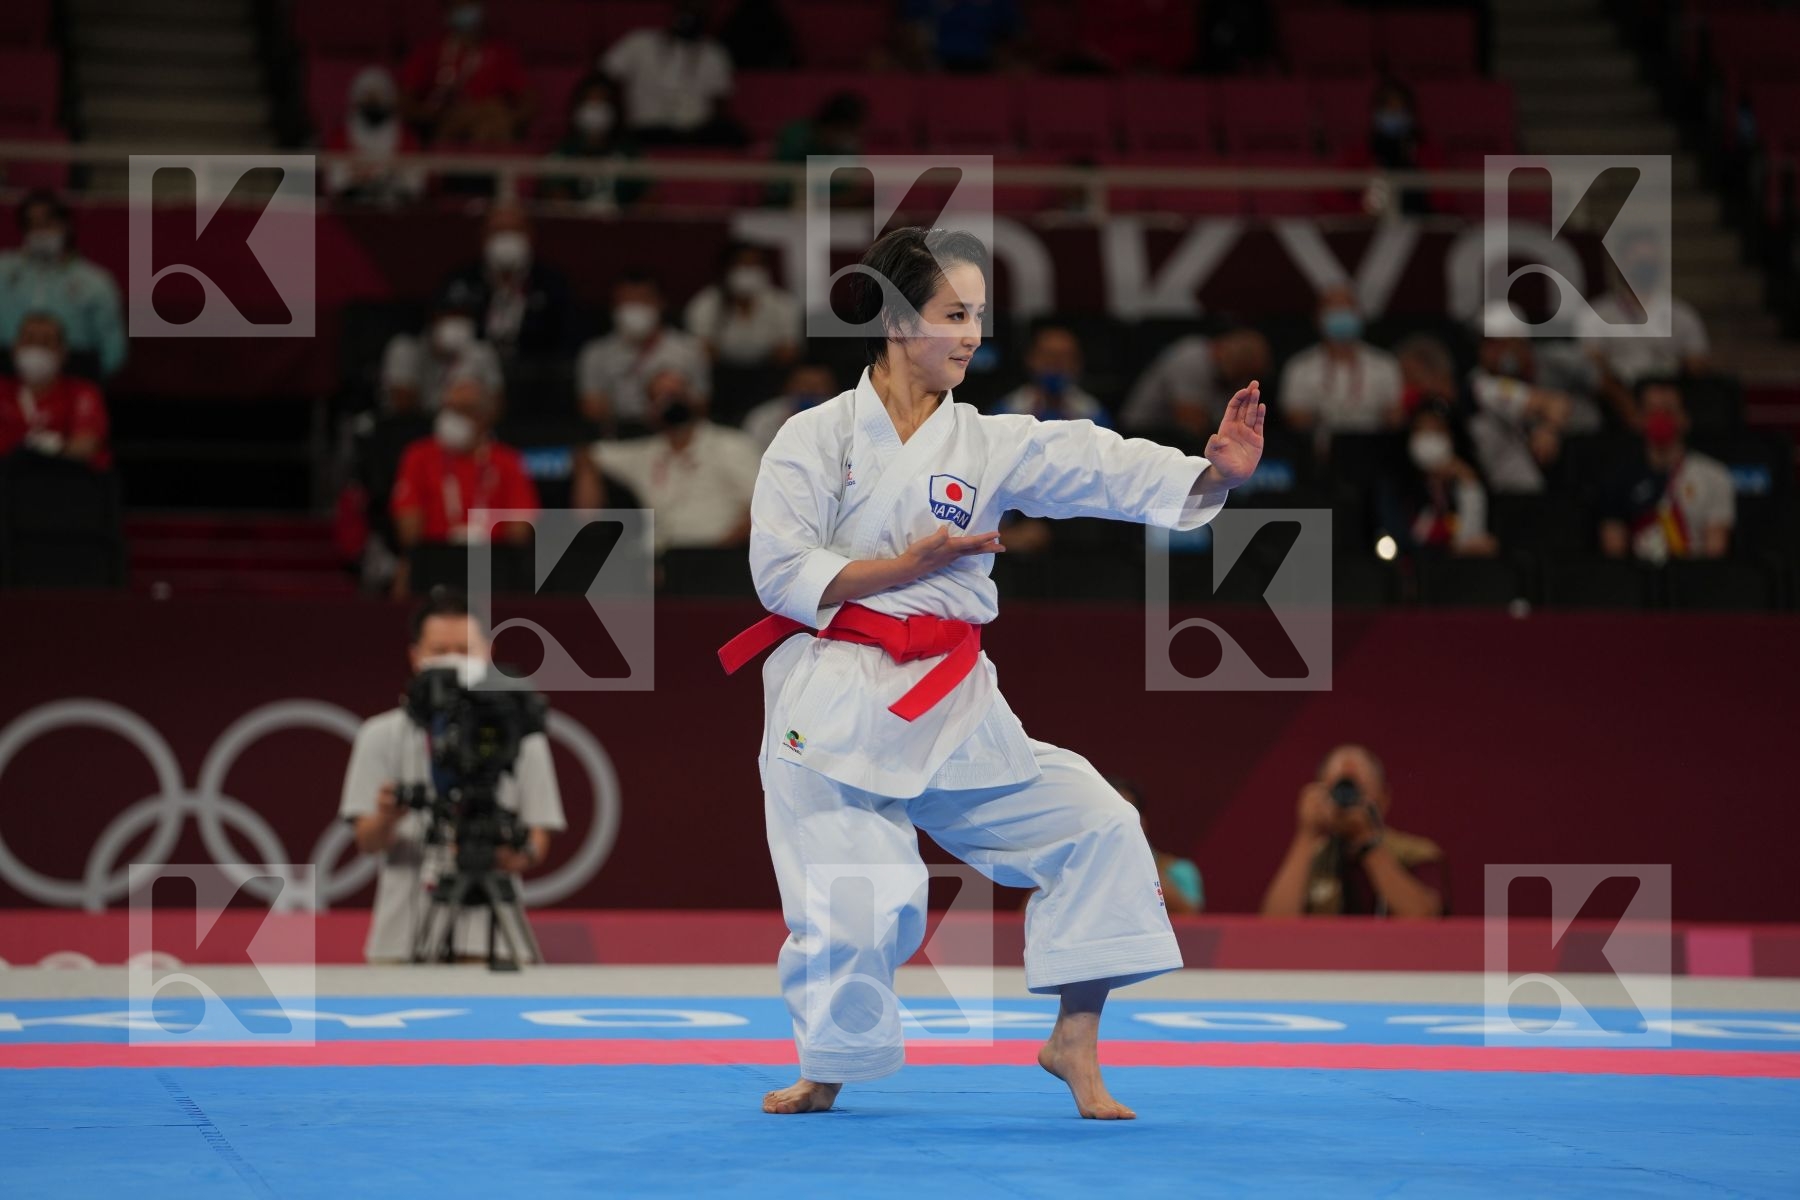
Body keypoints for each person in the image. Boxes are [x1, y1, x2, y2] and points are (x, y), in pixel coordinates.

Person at [718, 226, 1264, 1119]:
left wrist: (1209, 474)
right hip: (835, 699)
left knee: (1099, 826)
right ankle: (828, 1064)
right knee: (858, 908)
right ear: (897, 321)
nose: (972, 335)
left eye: (979, 316)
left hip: (953, 704)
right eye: (953, 314)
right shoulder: (813, 438)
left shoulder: (987, 441)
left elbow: (1094, 461)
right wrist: (905, 569)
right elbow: (778, 574)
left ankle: (1072, 1042)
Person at [338, 586, 566, 963]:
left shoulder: (521, 735)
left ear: (488, 654)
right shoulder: (378, 735)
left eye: (464, 650)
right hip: (402, 940)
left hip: (492, 943)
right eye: (439, 652)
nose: (452, 662)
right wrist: (387, 818)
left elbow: (537, 842)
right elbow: (367, 841)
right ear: (415, 656)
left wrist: (508, 854)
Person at [572, 368, 761, 551]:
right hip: (659, 556)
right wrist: (588, 496)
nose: (670, 403)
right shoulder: (644, 454)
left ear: (693, 398)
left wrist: (725, 550)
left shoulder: (732, 445)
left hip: (715, 555)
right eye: (661, 397)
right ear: (650, 409)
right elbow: (587, 454)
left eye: (676, 394)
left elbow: (766, 508)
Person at [389, 365, 538, 594]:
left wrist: (475, 532)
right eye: (449, 409)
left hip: (492, 563)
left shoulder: (507, 460)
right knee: (407, 569)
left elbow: (520, 533)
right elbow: (409, 533)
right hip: (434, 561)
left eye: (464, 411)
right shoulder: (418, 456)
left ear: (486, 416)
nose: (453, 419)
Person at [1260, 745, 1445, 919]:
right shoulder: (1315, 857)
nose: (1346, 797)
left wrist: (1368, 843)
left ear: (1383, 798)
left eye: (1356, 788)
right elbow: (1274, 925)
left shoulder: (1416, 854)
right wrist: (1306, 834)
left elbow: (1426, 920)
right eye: (1338, 787)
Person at [1582, 229, 1711, 423]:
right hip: (1620, 396)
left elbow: (1698, 362)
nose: (1644, 267)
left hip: (1671, 391)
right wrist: (1628, 405)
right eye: (1638, 261)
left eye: (1649, 261)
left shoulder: (1682, 314)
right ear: (1621, 264)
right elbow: (1592, 364)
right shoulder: (1597, 314)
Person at [1599, 380, 1735, 562]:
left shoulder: (1714, 476)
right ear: (1639, 419)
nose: (1660, 418)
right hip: (1637, 580)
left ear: (1685, 419)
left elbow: (1714, 552)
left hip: (1694, 579)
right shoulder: (1618, 476)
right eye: (1652, 411)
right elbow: (1614, 552)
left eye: (1668, 411)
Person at [0, 190, 126, 379]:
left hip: (72, 375)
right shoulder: (3, 271)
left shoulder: (95, 282)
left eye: (46, 223)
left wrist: (86, 383)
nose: (39, 231)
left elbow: (113, 349)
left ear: (67, 225)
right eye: (31, 225)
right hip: (6, 373)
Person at [436, 201, 573, 361]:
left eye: (514, 230)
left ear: (530, 235)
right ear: (483, 237)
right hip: (474, 376)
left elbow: (567, 341)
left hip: (534, 376)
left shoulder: (553, 284)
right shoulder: (461, 281)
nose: (506, 239)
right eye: (498, 231)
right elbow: (441, 333)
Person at [576, 271, 709, 429]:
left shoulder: (690, 349)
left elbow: (702, 407)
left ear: (661, 303)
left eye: (643, 299)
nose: (635, 308)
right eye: (627, 300)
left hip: (672, 433)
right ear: (614, 307)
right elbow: (590, 410)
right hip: (619, 436)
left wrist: (675, 396)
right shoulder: (595, 353)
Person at [600, 0, 739, 146]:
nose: (690, 15)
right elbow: (603, 77)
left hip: (694, 135)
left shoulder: (715, 53)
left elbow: (719, 102)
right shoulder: (639, 41)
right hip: (644, 129)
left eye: (698, 10)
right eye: (686, 8)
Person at [398, 0, 533, 146]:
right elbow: (404, 102)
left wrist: (509, 119)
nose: (466, 11)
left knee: (492, 118)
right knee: (489, 113)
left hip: (491, 125)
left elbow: (529, 101)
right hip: (443, 122)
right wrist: (429, 113)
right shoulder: (428, 52)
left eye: (470, 5)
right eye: (460, 6)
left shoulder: (502, 54)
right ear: (447, 12)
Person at [1276, 286, 1405, 437]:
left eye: (1347, 307)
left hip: (1374, 447)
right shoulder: (1299, 367)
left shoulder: (1385, 364)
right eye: (1333, 308)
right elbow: (1294, 418)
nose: (1341, 314)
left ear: (1360, 315)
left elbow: (1396, 417)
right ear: (1317, 318)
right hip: (1319, 447)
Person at [1377, 400, 1497, 557]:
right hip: (1416, 572)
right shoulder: (1395, 484)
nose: (1429, 439)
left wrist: (1469, 484)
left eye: (1437, 430)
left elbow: (1477, 536)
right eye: (1422, 430)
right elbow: (1400, 539)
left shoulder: (1465, 480)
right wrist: (1451, 550)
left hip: (1464, 572)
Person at [0, 312, 111, 469]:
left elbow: (87, 445)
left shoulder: (82, 393)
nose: (36, 349)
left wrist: (55, 447)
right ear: (14, 348)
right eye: (29, 340)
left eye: (46, 342)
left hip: (67, 482)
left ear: (63, 353)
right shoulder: (3, 390)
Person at [1120, 328, 1270, 441]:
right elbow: (1191, 423)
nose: (1245, 379)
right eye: (1243, 367)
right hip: (1143, 435)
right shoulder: (1192, 357)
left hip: (1176, 438)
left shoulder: (1234, 376)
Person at [378, 296, 504, 416]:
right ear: (434, 318)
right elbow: (404, 407)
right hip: (409, 429)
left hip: (461, 429)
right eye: (451, 314)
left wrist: (463, 361)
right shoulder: (405, 348)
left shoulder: (481, 352)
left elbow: (497, 407)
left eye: (464, 315)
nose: (458, 322)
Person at [683, 242, 802, 368]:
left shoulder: (783, 302)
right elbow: (702, 352)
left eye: (754, 265)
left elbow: (788, 352)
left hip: (770, 372)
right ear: (727, 270)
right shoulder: (704, 304)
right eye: (741, 265)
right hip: (720, 373)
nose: (748, 271)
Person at [322, 66, 425, 205]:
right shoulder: (340, 137)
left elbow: (414, 184)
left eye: (378, 97)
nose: (373, 103)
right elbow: (336, 183)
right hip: (352, 212)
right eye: (368, 97)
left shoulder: (407, 137)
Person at [542, 73, 646, 210]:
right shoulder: (563, 153)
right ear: (578, 108)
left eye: (602, 102)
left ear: (614, 109)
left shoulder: (630, 153)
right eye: (590, 102)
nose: (595, 109)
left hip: (621, 228)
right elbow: (557, 199)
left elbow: (649, 199)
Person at [1108, 777, 1202, 916]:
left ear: (1142, 821)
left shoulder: (1179, 870)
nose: (1114, 825)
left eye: (1124, 815)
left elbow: (1190, 915)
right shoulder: (1076, 870)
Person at [992, 326, 1109, 426]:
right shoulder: (1006, 411)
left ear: (1078, 363)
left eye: (1064, 357)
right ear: (1030, 359)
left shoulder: (1094, 414)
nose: (1056, 364)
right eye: (1048, 356)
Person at [742, 362, 838, 455]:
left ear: (831, 390)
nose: (809, 390)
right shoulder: (763, 418)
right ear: (789, 386)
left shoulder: (843, 417)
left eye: (817, 386)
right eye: (804, 385)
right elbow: (749, 455)